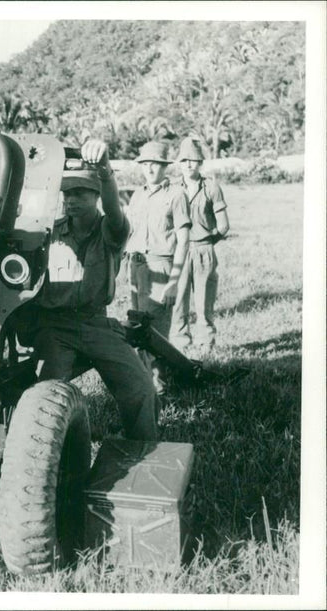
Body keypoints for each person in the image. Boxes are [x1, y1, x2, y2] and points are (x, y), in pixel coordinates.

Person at [15, 139, 159, 441]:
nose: (70, 199)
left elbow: (114, 210)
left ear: (95, 195)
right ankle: (50, 456)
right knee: (44, 400)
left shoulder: (112, 231)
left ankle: (143, 450)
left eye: (79, 192)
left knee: (140, 389)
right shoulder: (50, 233)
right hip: (54, 327)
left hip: (97, 323)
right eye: (66, 193)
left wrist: (105, 170)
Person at [124, 141, 191, 393]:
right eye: (145, 164)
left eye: (155, 164)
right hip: (137, 266)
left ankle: (159, 389)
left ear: (164, 167)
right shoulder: (137, 195)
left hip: (161, 267)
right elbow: (129, 230)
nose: (150, 169)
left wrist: (174, 281)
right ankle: (143, 384)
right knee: (137, 330)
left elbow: (184, 241)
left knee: (155, 334)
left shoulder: (176, 195)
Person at [170, 137, 230, 352]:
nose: (188, 164)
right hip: (179, 252)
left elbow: (223, 225)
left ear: (201, 163)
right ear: (179, 162)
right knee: (178, 302)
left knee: (204, 303)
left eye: (193, 160)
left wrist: (206, 241)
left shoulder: (211, 188)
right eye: (184, 160)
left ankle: (206, 345)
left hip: (204, 249)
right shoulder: (172, 188)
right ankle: (180, 344)